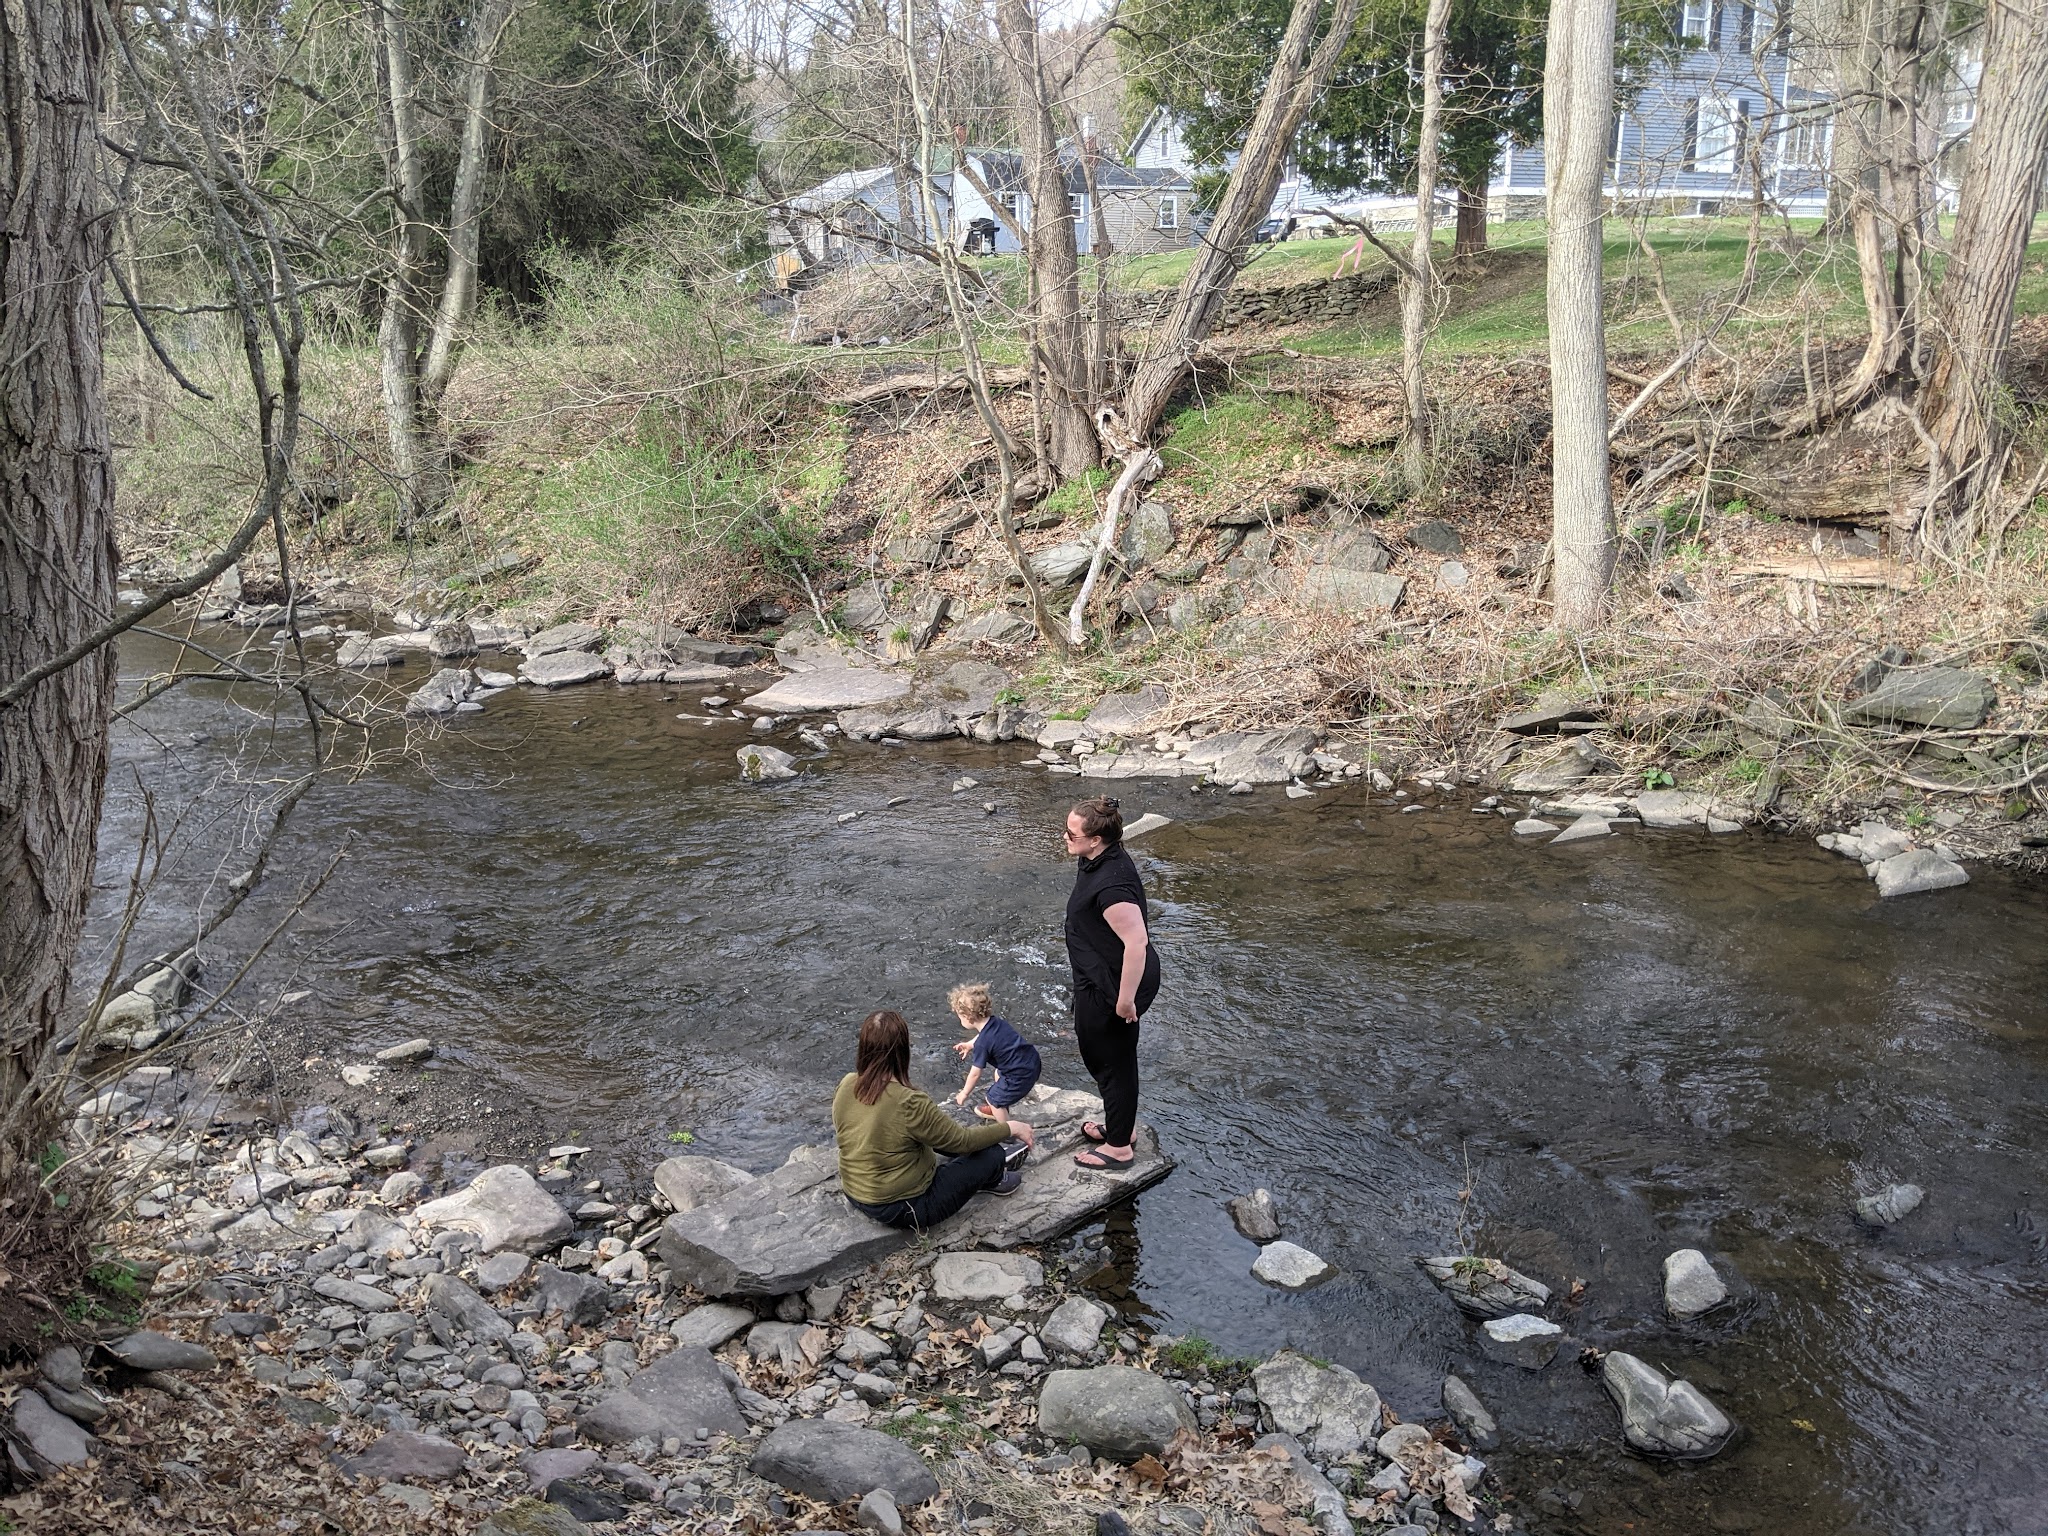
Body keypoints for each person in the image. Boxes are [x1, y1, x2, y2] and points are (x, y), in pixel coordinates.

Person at [834, 1009, 1034, 1231]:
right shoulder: (909, 1101)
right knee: (992, 1154)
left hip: (853, 1190)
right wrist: (1009, 1128)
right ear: (902, 1050)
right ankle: (995, 1178)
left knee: (942, 1141)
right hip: (904, 1207)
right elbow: (963, 1141)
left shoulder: (847, 1083)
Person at [1061, 796, 1161, 1171]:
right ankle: (1121, 1127)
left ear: (1096, 840)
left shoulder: (1111, 887)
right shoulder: (1098, 857)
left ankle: (1120, 1147)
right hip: (1098, 976)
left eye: (1072, 833)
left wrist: (1124, 1001)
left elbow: (1137, 943)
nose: (1065, 837)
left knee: (1111, 1061)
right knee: (1105, 1057)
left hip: (1116, 986)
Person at [948, 982, 1042, 1125]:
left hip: (1020, 1076)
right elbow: (984, 1036)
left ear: (968, 1017)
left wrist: (964, 1093)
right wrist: (969, 1044)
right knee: (998, 1074)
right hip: (1032, 1063)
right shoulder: (996, 1022)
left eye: (960, 1017)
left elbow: (975, 1074)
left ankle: (1008, 1131)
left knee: (992, 1098)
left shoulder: (982, 1044)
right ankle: (1001, 1107)